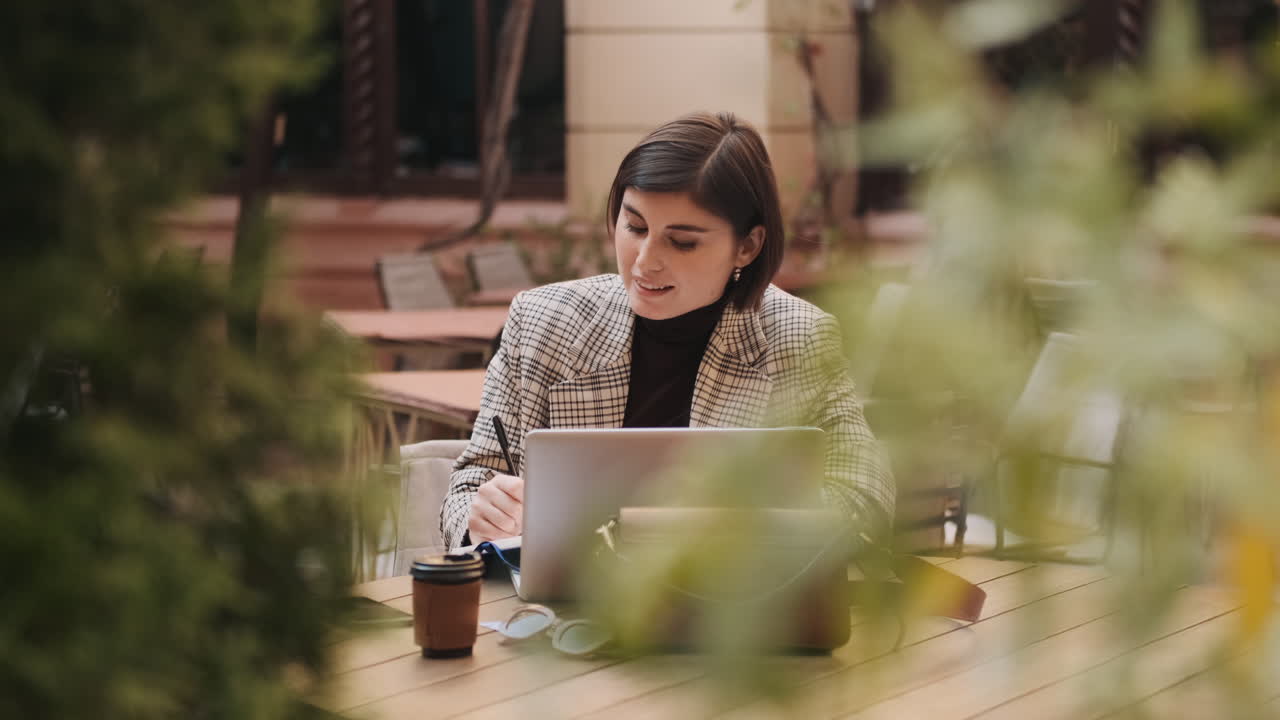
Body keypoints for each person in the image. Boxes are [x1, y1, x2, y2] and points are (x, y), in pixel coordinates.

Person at [440, 111, 893, 549]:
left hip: (725, 610)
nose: (645, 261)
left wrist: (748, 527)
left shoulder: (798, 338)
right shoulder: (543, 322)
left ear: (747, 246)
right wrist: (480, 518)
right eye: (634, 226)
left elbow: (864, 499)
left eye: (682, 242)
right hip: (557, 612)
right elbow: (468, 487)